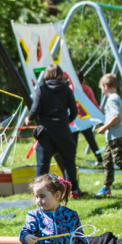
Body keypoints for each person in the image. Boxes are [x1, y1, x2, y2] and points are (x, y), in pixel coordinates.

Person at [26, 64, 84, 199]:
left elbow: (35, 109)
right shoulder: (66, 90)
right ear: (60, 74)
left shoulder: (42, 89)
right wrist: (65, 120)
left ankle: (38, 192)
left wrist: (29, 118)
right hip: (63, 130)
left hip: (46, 131)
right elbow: (74, 111)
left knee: (42, 164)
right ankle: (73, 190)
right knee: (69, 162)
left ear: (47, 74)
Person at [70, 70, 103, 166]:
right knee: (90, 140)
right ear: (83, 80)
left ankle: (71, 162)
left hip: (74, 120)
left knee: (73, 142)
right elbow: (93, 103)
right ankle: (99, 158)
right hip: (85, 119)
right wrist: (98, 111)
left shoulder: (69, 89)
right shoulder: (87, 89)